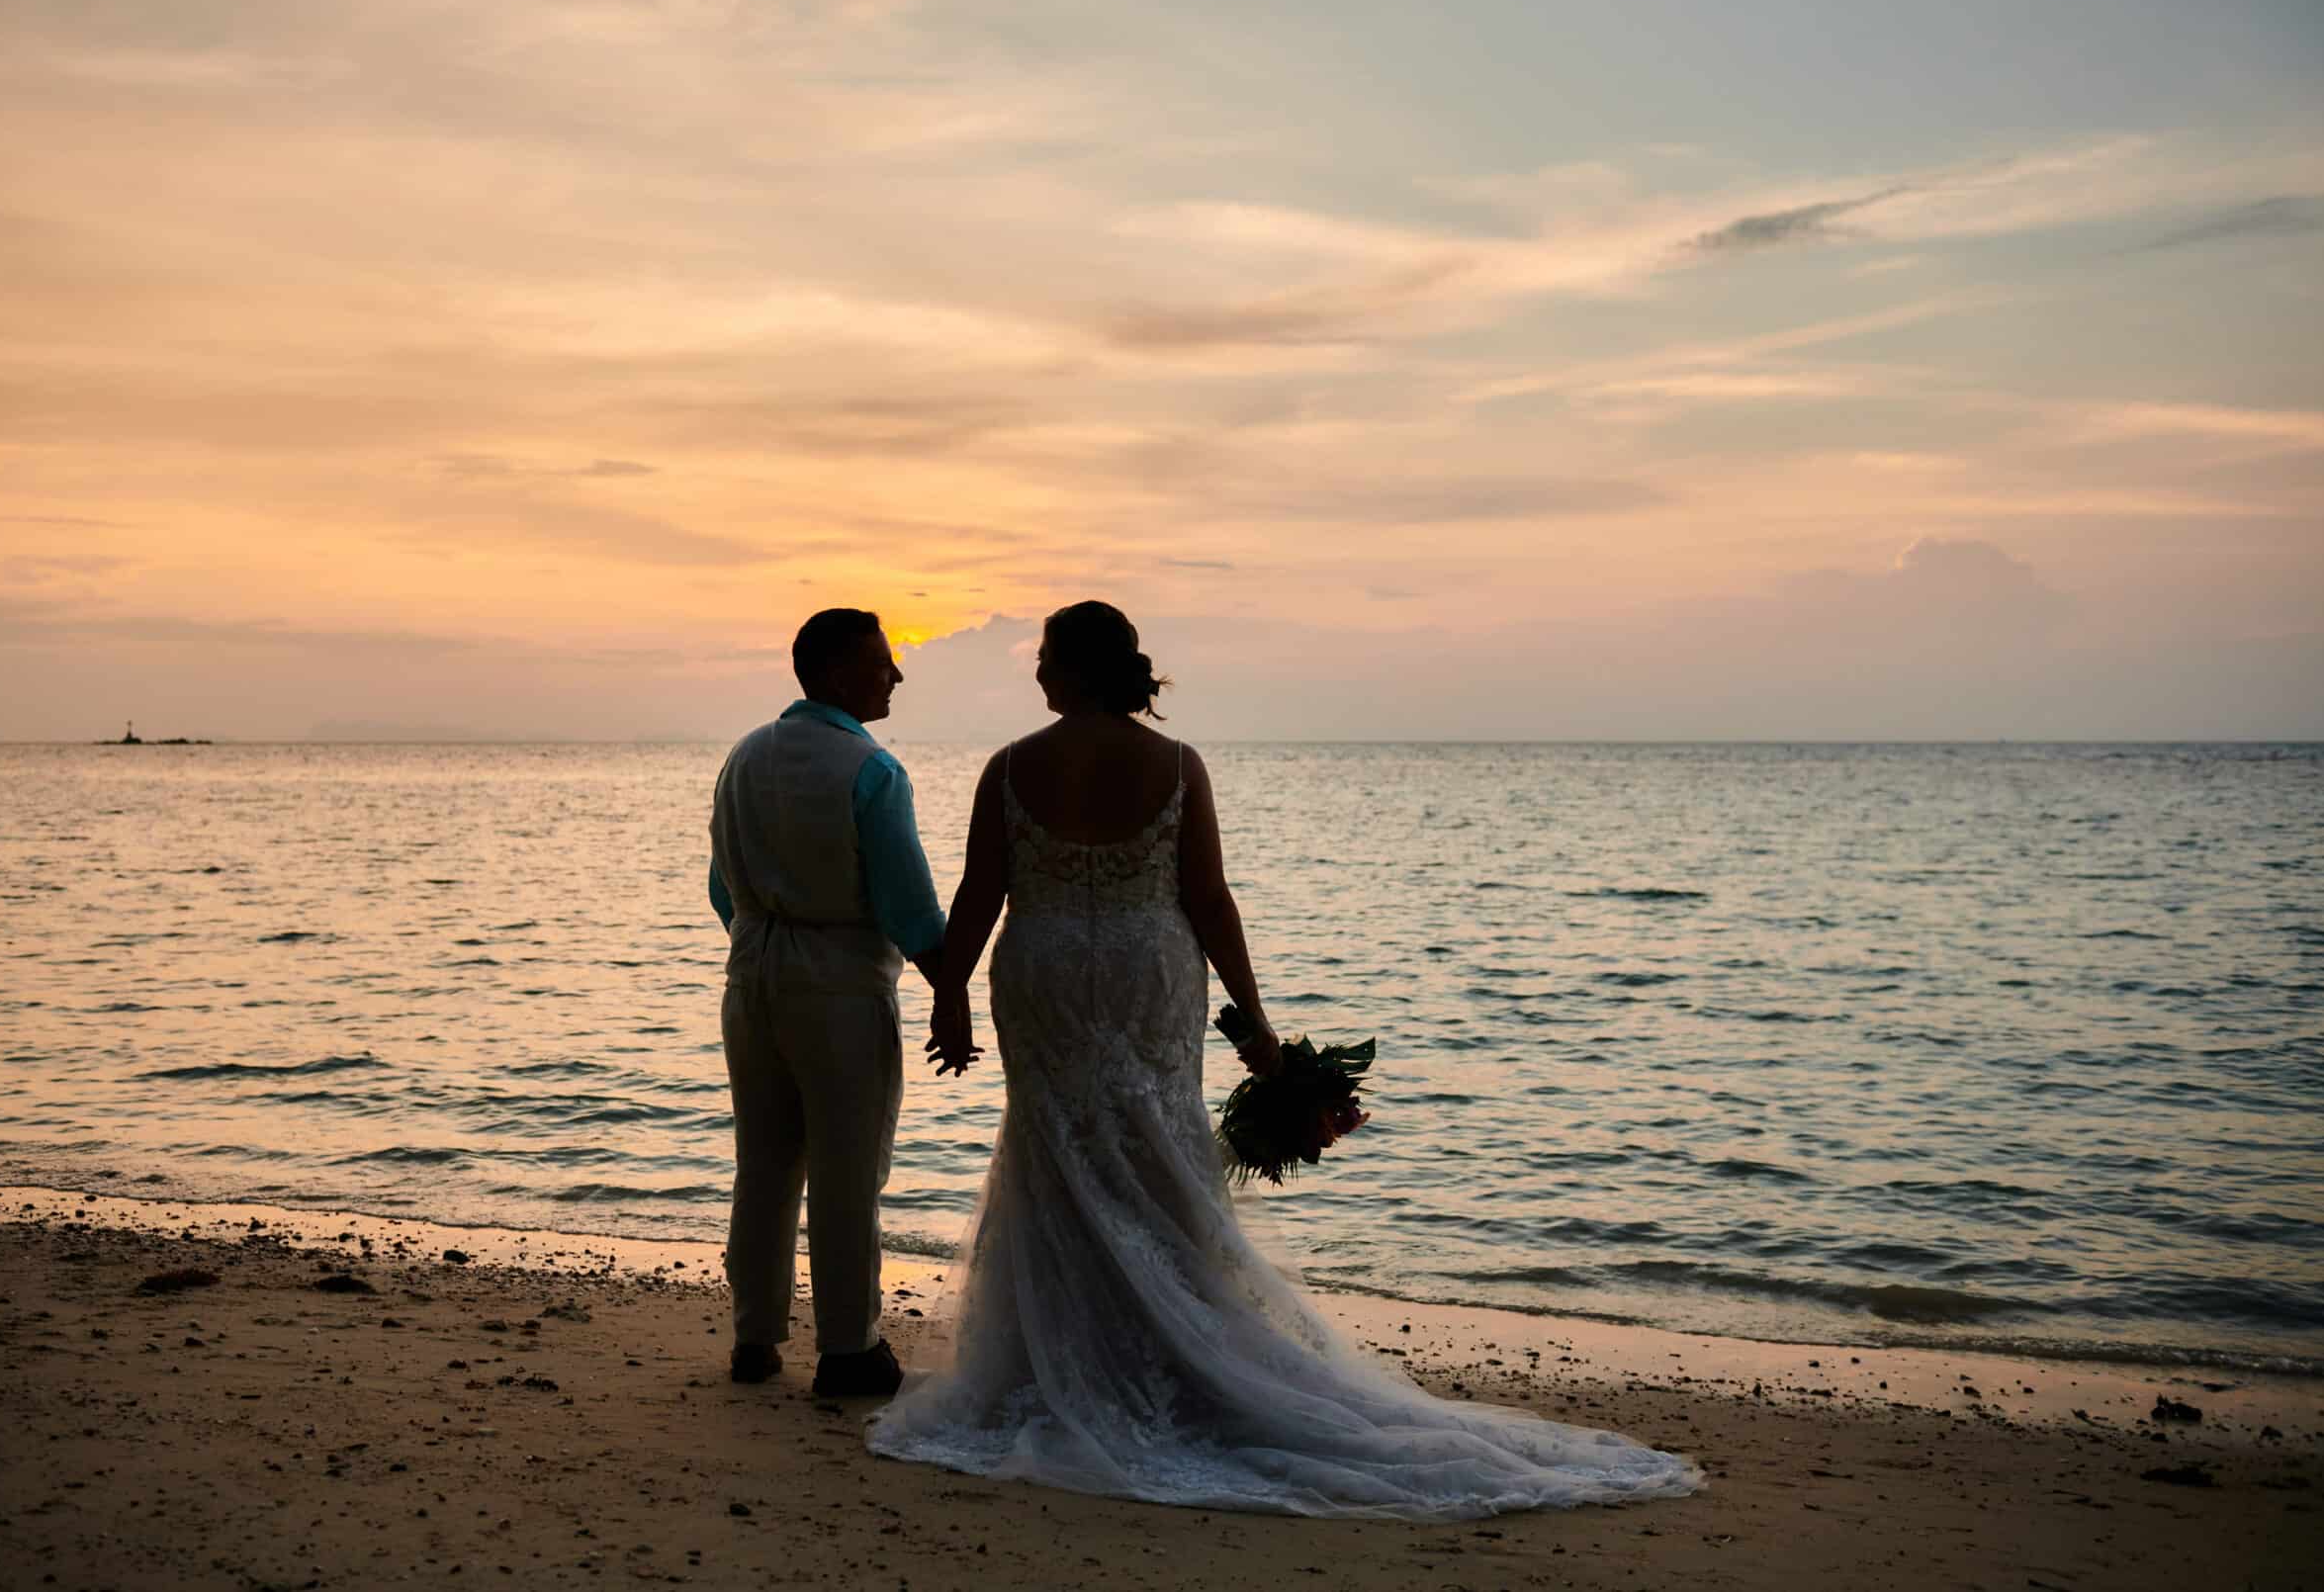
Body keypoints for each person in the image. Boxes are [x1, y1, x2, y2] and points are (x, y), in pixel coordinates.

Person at [867, 600, 1703, 1518]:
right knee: (1154, 1144)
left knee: (1055, 1146)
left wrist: (948, 998)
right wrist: (1255, 1022)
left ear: (1071, 669)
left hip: (1047, 972)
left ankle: (1061, 1359)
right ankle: (1174, 1352)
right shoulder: (1176, 765)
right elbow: (1210, 898)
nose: (1034, 671)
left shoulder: (1011, 766)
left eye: (1042, 656)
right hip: (1150, 969)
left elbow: (980, 891)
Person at [708, 608, 946, 1397]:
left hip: (753, 979)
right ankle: (848, 1346)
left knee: (765, 1163)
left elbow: (721, 886)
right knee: (848, 1172)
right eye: (884, 663)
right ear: (841, 674)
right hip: (840, 984)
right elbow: (909, 906)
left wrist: (763, 939)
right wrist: (955, 989)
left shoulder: (744, 757)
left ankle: (754, 1338)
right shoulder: (871, 769)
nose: (897, 676)